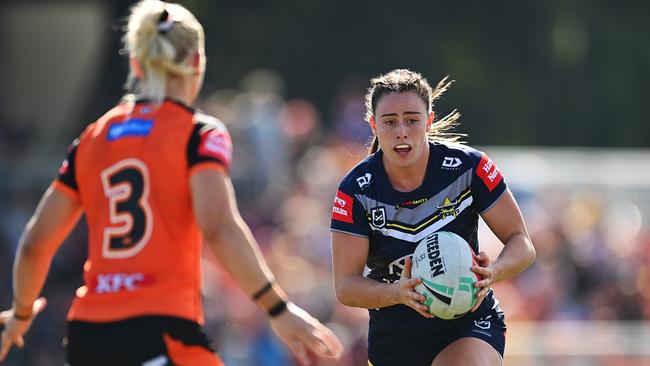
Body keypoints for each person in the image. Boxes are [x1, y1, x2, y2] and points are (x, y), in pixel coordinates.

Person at [0, 1, 342, 365]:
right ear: (197, 61)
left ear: (136, 64)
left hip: (89, 332)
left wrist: (21, 314)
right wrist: (278, 308)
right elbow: (218, 227)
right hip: (160, 328)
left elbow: (36, 242)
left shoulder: (92, 138)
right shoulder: (198, 133)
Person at [330, 68, 535, 365]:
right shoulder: (355, 190)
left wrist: (494, 272)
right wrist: (397, 293)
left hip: (467, 324)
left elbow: (522, 243)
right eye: (390, 122)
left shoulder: (469, 167)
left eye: (412, 120)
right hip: (394, 339)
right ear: (373, 125)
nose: (401, 131)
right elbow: (346, 287)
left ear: (429, 120)